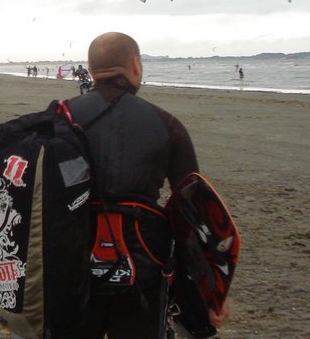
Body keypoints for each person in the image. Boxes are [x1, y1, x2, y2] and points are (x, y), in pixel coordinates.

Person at [58, 32, 228, 338]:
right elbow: (192, 215)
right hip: (144, 270)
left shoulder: (60, 119)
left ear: (91, 69)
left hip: (70, 268)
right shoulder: (167, 125)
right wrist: (209, 292)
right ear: (135, 65)